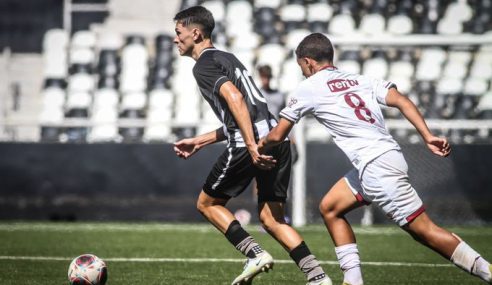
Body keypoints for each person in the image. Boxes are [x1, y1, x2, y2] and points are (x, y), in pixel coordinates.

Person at [259, 33, 492, 285]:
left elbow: (279, 133)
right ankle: (353, 280)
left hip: (376, 168)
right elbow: (401, 100)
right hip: (384, 158)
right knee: (330, 208)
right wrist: (427, 136)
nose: (303, 72)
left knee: (425, 231)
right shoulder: (359, 79)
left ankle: (486, 270)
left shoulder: (308, 87)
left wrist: (260, 143)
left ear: (308, 62)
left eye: (301, 67)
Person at [172, 7, 332, 285]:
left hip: (252, 143)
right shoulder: (227, 58)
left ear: (195, 33)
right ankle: (318, 278)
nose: (175, 39)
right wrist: (201, 140)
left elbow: (235, 99)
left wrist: (250, 144)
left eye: (178, 33)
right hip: (275, 139)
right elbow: (247, 111)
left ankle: (255, 254)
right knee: (272, 219)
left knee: (207, 204)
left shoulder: (203, 65)